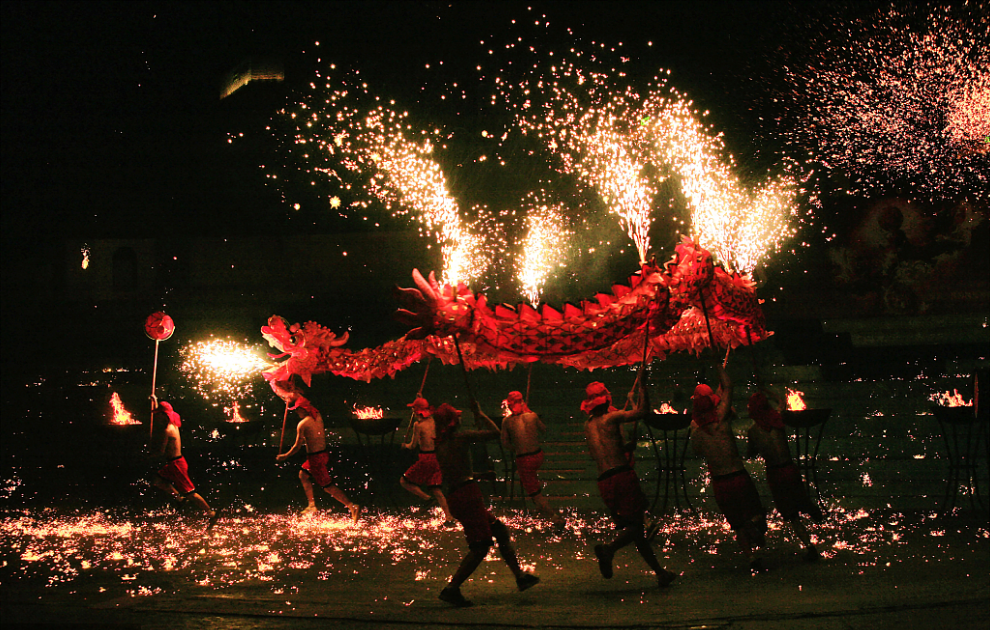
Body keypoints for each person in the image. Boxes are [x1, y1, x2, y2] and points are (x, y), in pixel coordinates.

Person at [434, 400, 539, 607]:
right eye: (457, 415)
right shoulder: (461, 438)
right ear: (452, 421)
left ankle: (520, 577)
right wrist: (481, 414)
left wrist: (479, 475)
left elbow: (456, 473)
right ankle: (452, 589)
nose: (461, 417)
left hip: (458, 494)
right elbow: (495, 433)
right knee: (480, 546)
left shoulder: (441, 444)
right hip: (467, 496)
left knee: (499, 530)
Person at [582, 371, 676, 588]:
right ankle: (609, 549)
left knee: (636, 530)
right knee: (636, 528)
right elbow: (643, 412)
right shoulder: (612, 418)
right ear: (605, 400)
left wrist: (625, 447)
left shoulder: (587, 425)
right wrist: (643, 385)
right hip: (621, 476)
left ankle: (660, 573)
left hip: (604, 480)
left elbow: (604, 448)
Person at [690, 364, 768, 573]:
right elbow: (729, 387)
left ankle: (751, 558)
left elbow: (697, 451)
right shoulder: (722, 418)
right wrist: (717, 364)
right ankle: (755, 526)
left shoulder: (695, 428)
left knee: (737, 524)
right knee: (755, 515)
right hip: (737, 476)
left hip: (720, 482)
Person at [746, 389, 823, 561]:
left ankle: (810, 547)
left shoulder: (752, 431)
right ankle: (806, 505)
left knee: (792, 515)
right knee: (799, 500)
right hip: (789, 468)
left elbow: (750, 455)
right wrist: (771, 392)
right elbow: (781, 403)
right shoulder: (777, 419)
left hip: (775, 473)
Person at [276, 393, 361, 523]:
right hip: (322, 455)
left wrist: (284, 456)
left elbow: (297, 447)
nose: (297, 412)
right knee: (303, 475)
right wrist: (291, 394)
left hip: (315, 459)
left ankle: (352, 506)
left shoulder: (303, 424)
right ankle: (312, 505)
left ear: (303, 409)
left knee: (328, 486)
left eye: (298, 409)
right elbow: (304, 400)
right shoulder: (318, 416)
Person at [149, 395, 218, 529]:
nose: (156, 418)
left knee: (190, 492)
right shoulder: (173, 425)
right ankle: (180, 499)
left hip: (176, 464)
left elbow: (161, 452)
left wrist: (149, 454)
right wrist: (154, 400)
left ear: (164, 416)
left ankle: (211, 513)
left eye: (159, 415)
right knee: (158, 481)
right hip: (173, 463)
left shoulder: (167, 430)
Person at [500, 390, 566, 528]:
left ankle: (554, 517)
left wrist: (516, 448)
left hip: (524, 459)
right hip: (538, 454)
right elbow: (543, 430)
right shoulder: (533, 416)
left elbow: (505, 443)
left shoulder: (506, 421)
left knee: (534, 492)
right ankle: (540, 507)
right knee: (533, 484)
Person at [400, 396, 454, 522]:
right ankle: (449, 517)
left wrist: (405, 445)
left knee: (404, 481)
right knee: (436, 489)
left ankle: (426, 498)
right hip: (436, 457)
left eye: (414, 409)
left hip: (426, 458)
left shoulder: (418, 425)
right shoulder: (434, 422)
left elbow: (413, 445)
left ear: (417, 411)